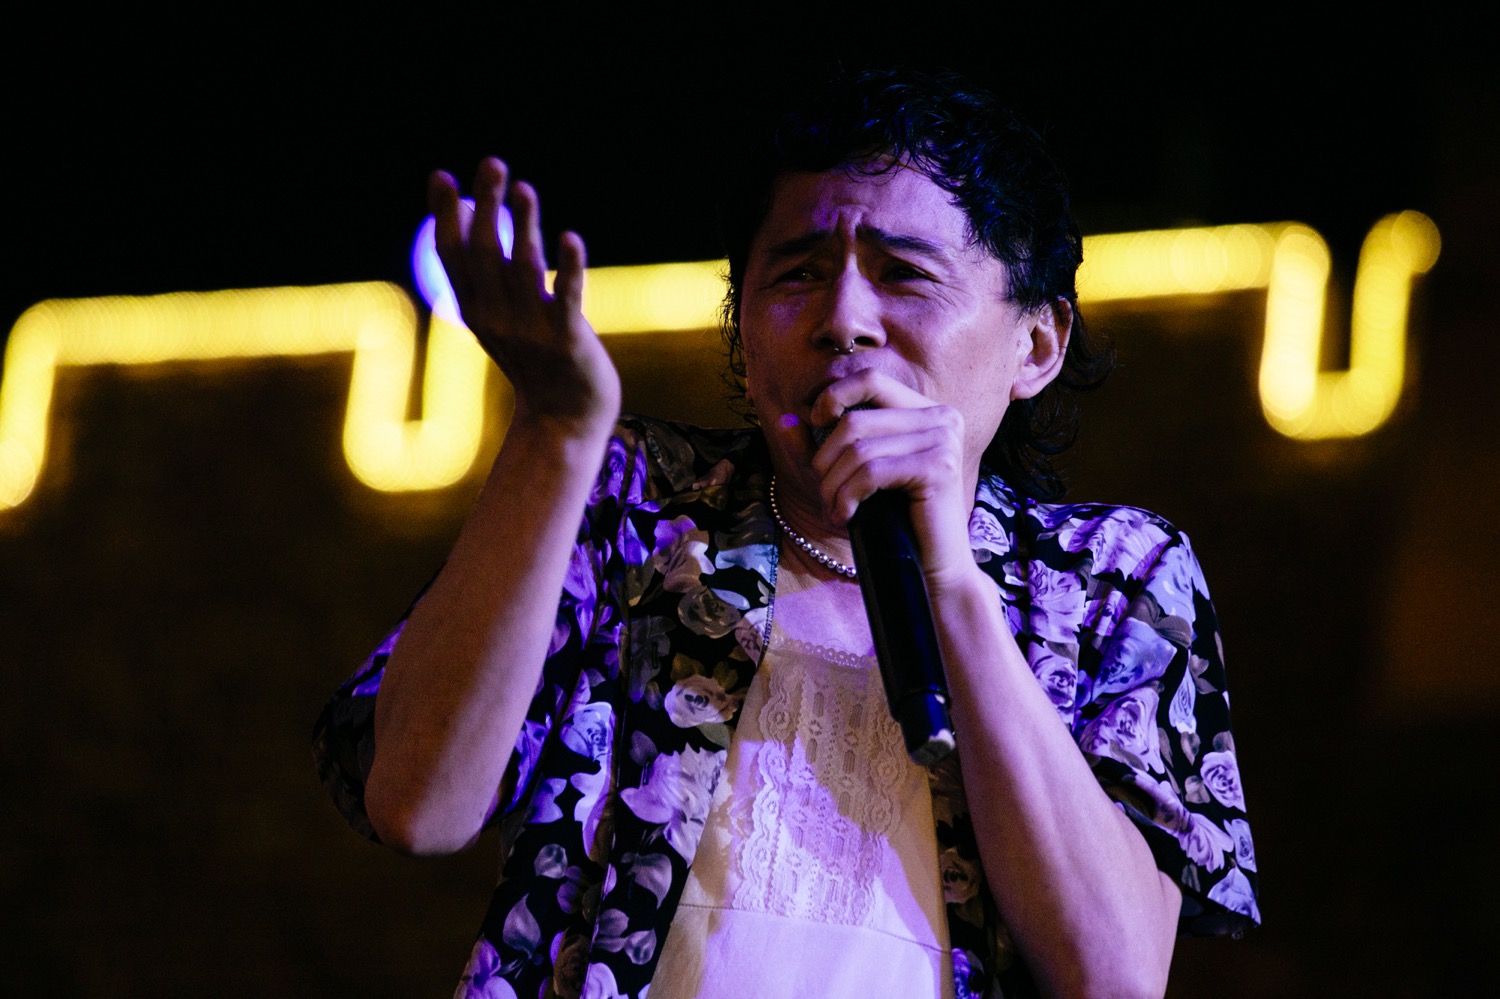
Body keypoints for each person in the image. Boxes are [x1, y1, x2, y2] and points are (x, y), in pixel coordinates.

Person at [312, 66, 1260, 999]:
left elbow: (1114, 975)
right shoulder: (633, 502)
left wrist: (949, 575)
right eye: (798, 274)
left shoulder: (1113, 578)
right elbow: (416, 803)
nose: (843, 320)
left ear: (1037, 343)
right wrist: (555, 430)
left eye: (904, 274)